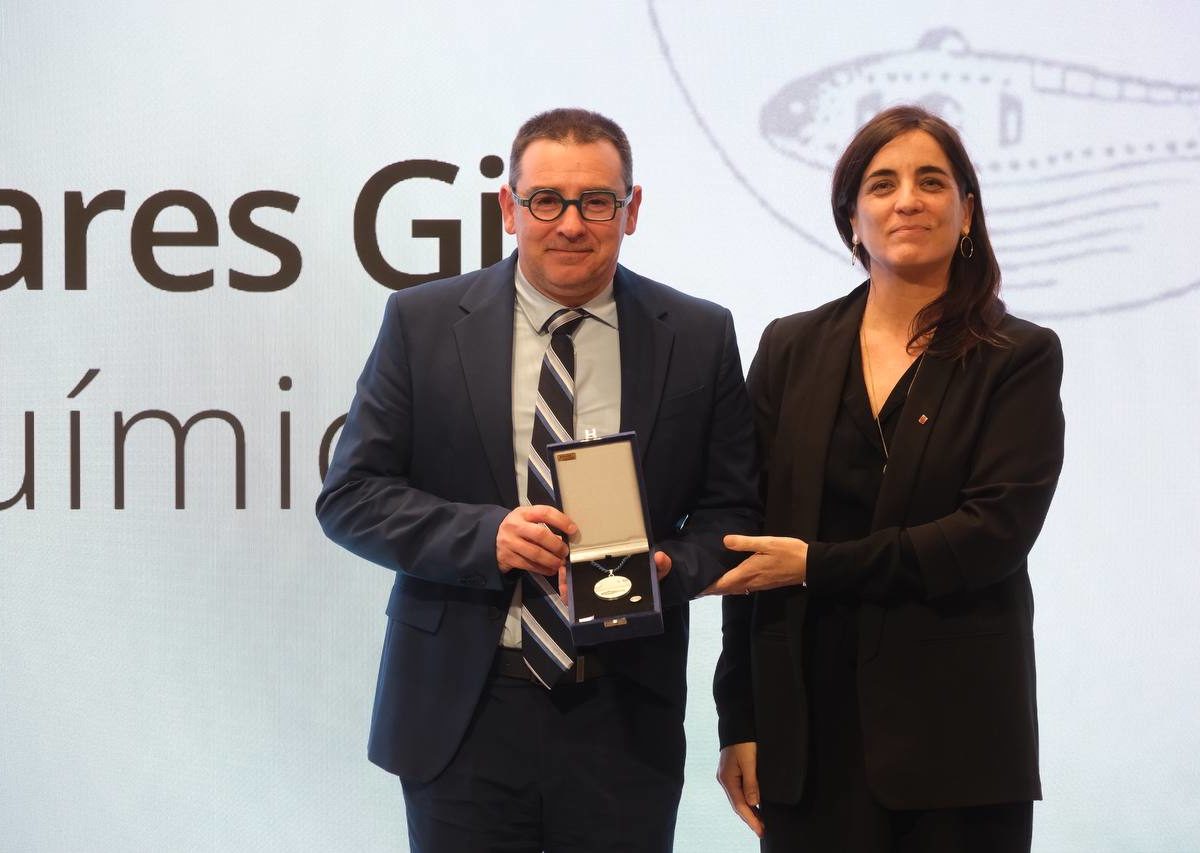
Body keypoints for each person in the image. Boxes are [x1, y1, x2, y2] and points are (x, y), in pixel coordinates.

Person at [316, 107, 759, 853]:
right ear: (509, 208)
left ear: (632, 209)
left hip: (623, 711)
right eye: (547, 200)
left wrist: (667, 568)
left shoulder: (698, 334)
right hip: (463, 709)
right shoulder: (422, 323)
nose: (572, 224)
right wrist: (489, 535)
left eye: (597, 202)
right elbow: (351, 496)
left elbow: (732, 512)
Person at [708, 105, 1065, 852]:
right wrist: (739, 719)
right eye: (883, 184)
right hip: (805, 736)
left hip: (957, 749)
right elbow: (750, 543)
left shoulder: (1018, 356)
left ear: (967, 212)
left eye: (932, 181)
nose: (908, 199)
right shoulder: (789, 348)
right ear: (852, 220)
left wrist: (816, 565)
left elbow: (989, 537)